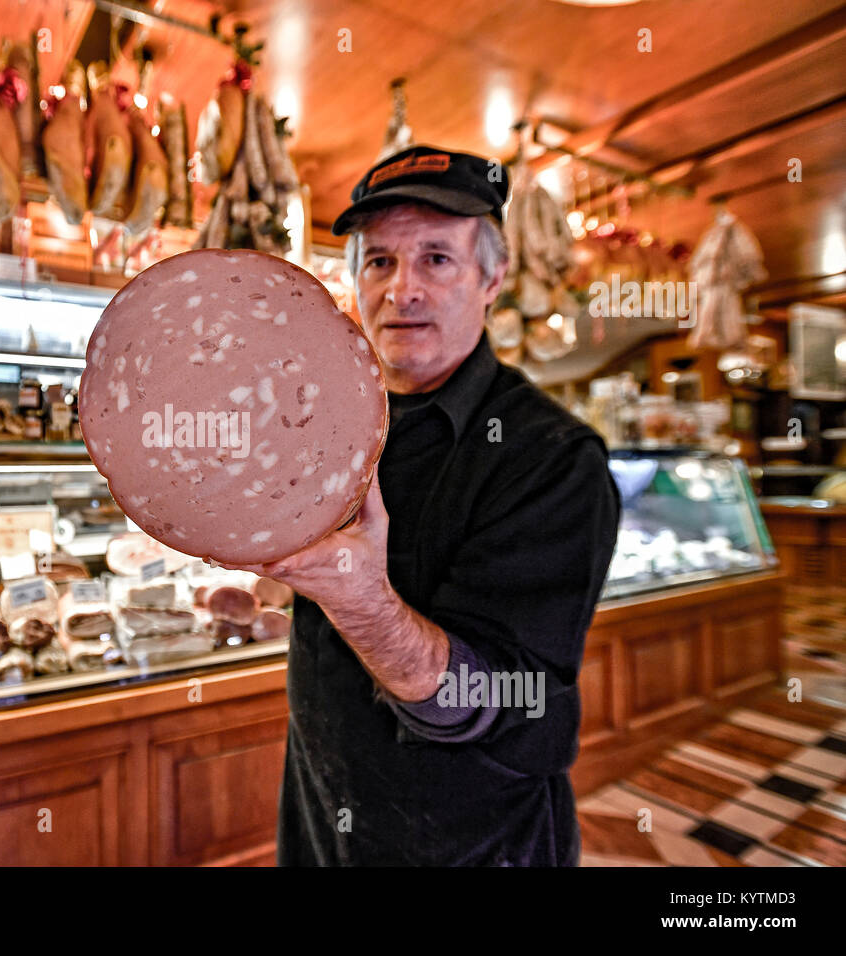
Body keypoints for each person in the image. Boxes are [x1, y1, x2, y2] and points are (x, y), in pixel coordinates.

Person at [224, 145, 622, 866]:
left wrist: (364, 602)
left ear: (492, 276)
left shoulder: (552, 458)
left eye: (437, 258)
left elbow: (513, 700)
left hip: (472, 841)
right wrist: (264, 575)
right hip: (323, 818)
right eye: (378, 261)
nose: (402, 288)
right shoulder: (327, 421)